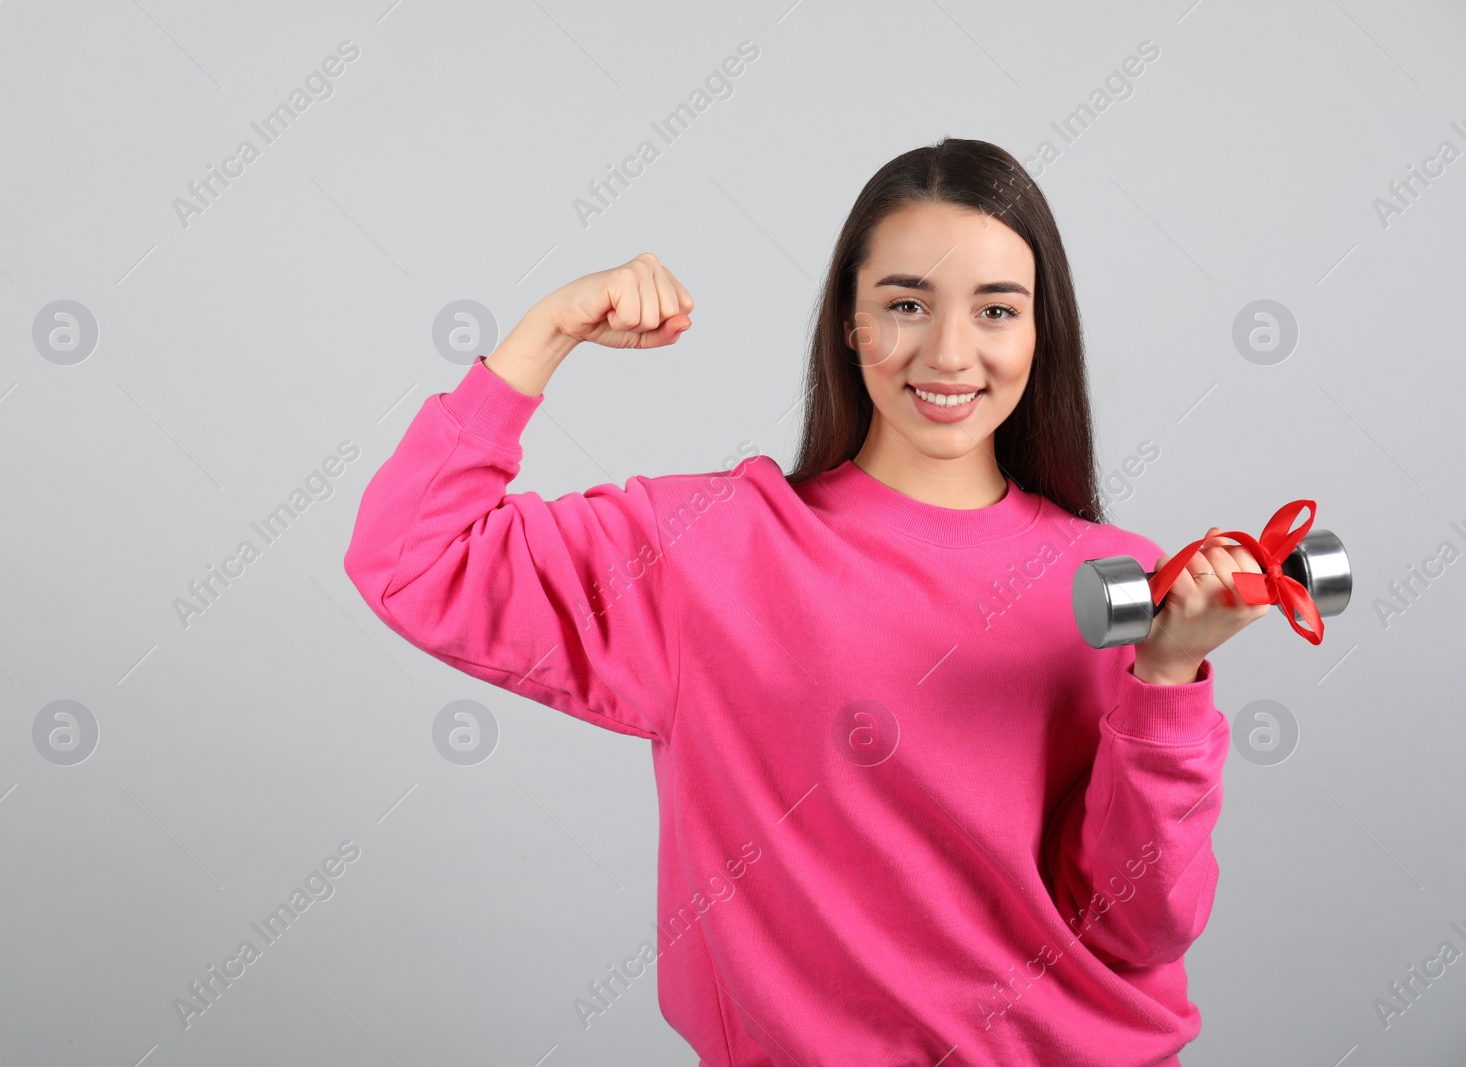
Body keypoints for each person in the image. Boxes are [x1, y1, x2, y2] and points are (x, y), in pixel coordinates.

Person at [343, 137, 1270, 1067]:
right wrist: (550, 327)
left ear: (1039, 335)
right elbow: (410, 559)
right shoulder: (707, 548)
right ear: (850, 326)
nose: (950, 352)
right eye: (906, 304)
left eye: (997, 309)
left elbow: (1139, 927)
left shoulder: (1120, 580)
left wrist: (1166, 677)